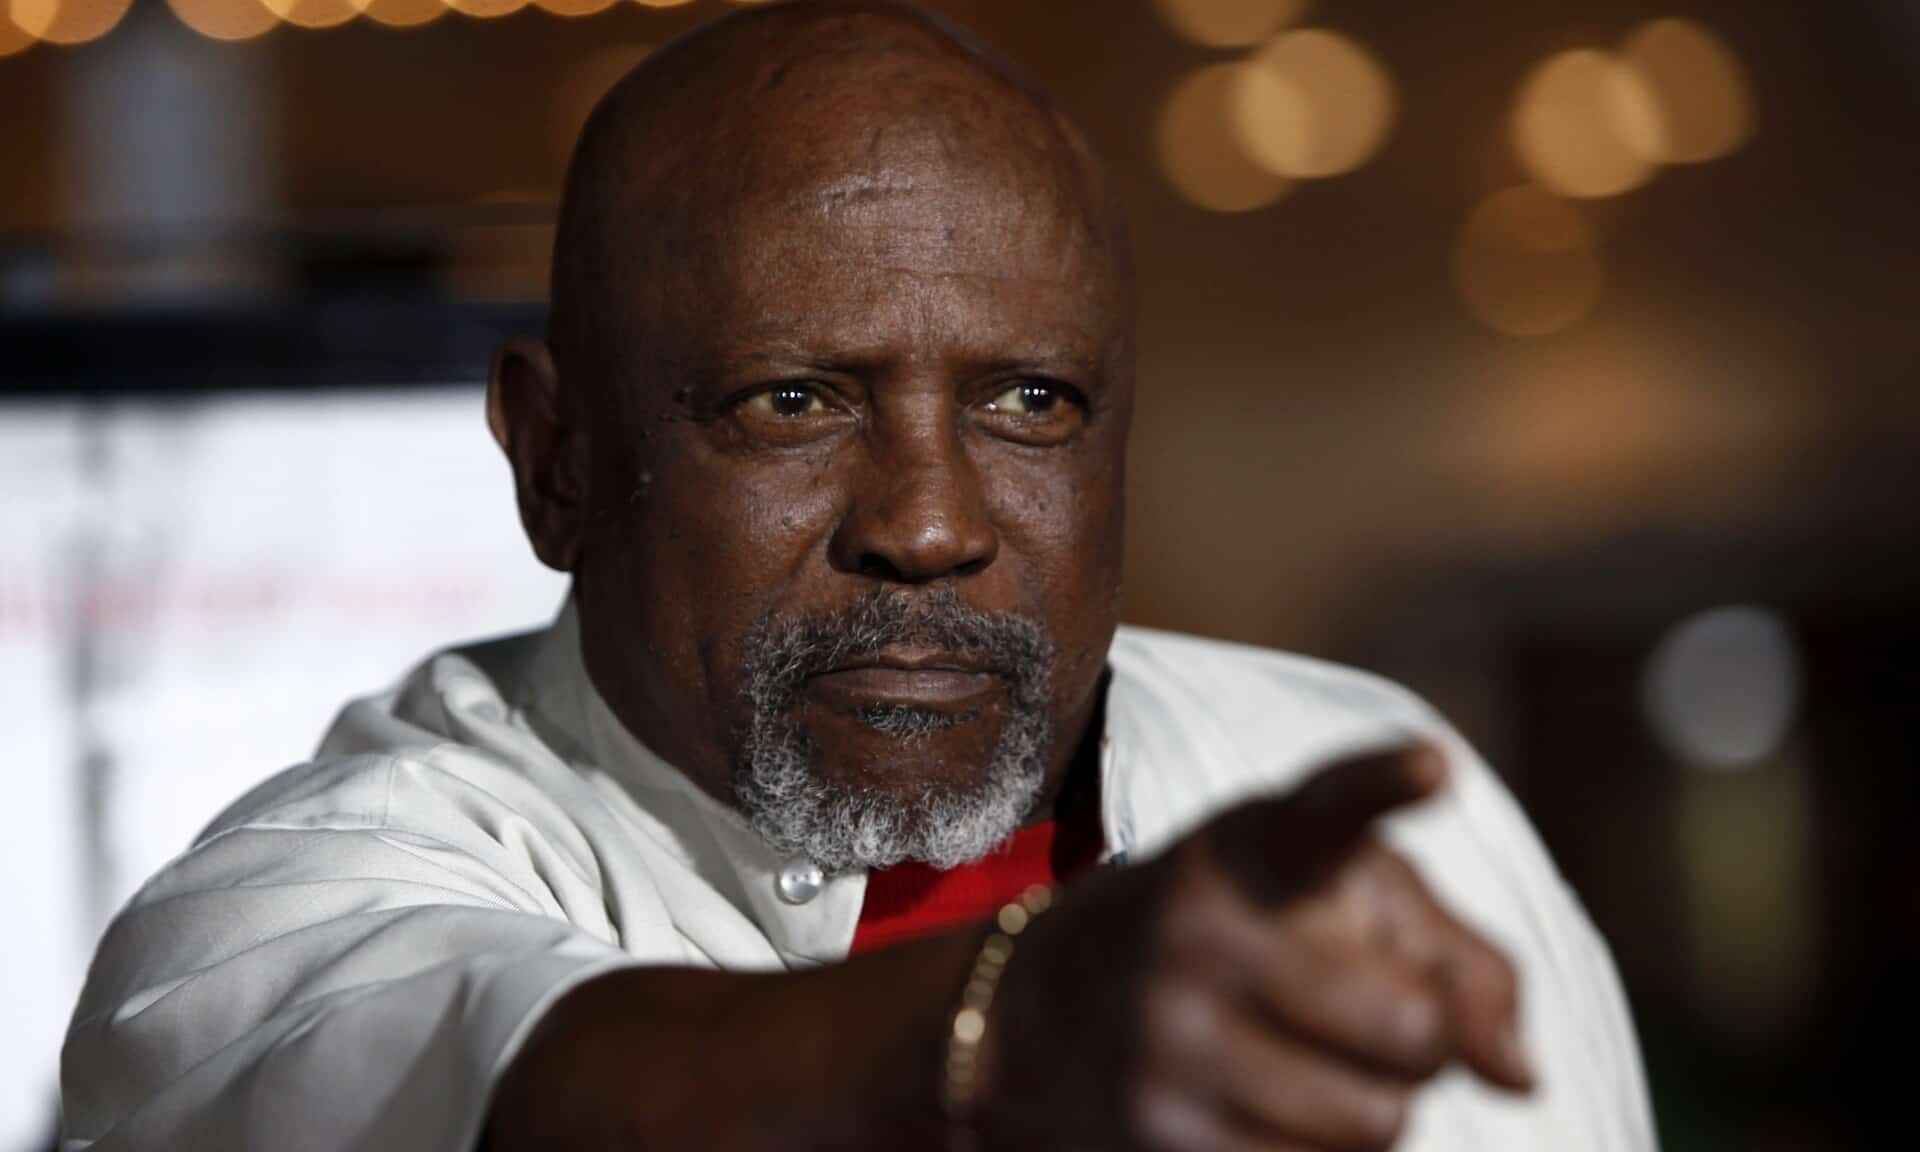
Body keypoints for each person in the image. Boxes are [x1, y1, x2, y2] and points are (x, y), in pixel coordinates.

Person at [60, 3, 1655, 1150]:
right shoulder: (275, 922)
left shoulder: (1376, 797)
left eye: (1028, 402)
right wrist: (1013, 1035)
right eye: (793, 402)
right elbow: (465, 1068)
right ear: (556, 461)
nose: (931, 522)